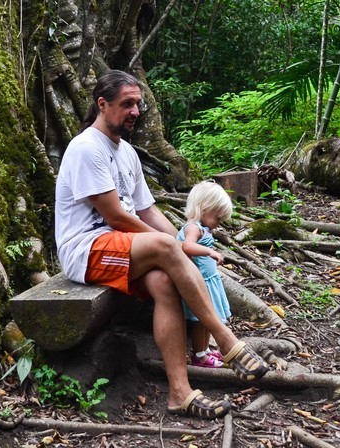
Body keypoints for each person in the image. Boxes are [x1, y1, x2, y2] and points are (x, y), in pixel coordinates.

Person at [54, 70, 269, 419]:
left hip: (123, 247)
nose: (135, 111)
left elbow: (147, 209)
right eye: (127, 104)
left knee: (164, 281)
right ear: (102, 104)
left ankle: (179, 393)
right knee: (168, 250)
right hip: (86, 250)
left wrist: (179, 239)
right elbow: (117, 218)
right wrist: (172, 247)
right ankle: (227, 342)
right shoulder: (86, 148)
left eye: (138, 103)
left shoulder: (126, 153)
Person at [177, 181, 232, 368]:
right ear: (204, 209)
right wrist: (210, 252)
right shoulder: (193, 227)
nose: (218, 224)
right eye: (217, 218)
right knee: (202, 319)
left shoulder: (203, 227)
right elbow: (187, 246)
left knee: (210, 318)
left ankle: (206, 349)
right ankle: (199, 355)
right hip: (201, 283)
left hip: (208, 281)